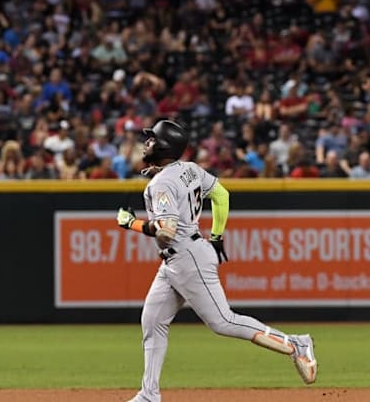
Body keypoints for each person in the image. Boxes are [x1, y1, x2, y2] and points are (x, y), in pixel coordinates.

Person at [115, 120, 317, 402]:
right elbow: (221, 194)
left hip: (186, 256)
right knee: (152, 321)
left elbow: (166, 233)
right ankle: (149, 394)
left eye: (150, 140)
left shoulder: (160, 183)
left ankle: (296, 344)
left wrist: (131, 224)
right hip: (182, 257)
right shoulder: (191, 169)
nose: (145, 144)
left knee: (223, 321)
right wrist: (217, 235)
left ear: (163, 146)